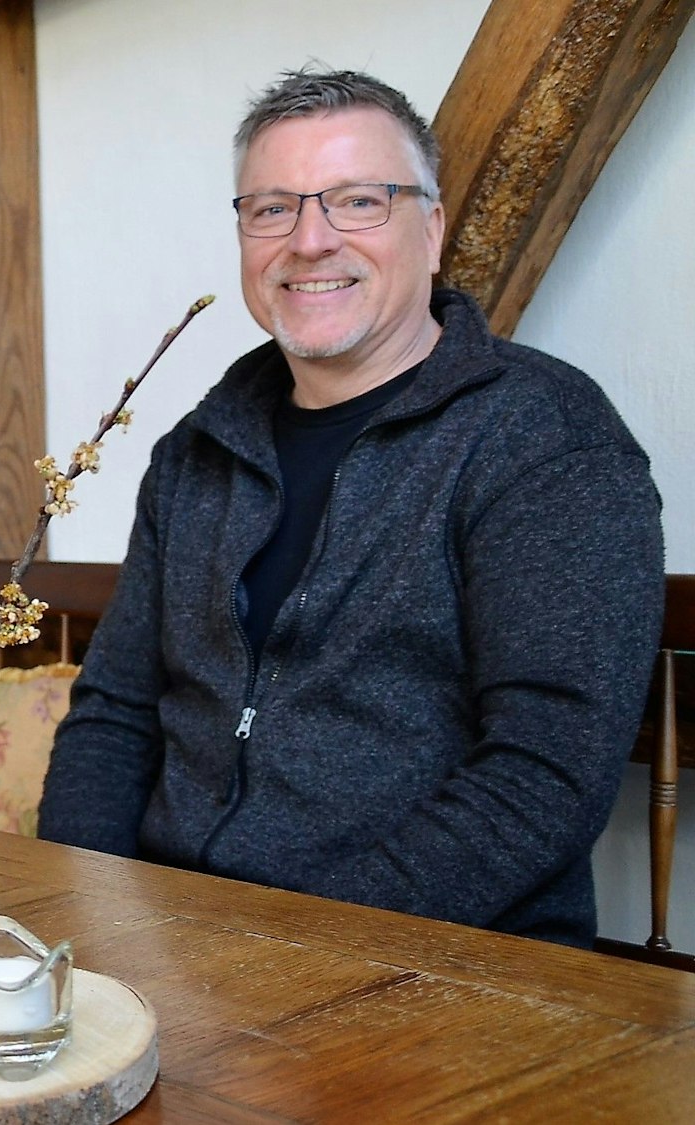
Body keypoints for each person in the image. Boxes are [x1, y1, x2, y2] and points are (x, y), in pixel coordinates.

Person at [38, 69, 663, 948]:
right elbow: (114, 716)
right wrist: (81, 929)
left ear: (433, 229)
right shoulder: (195, 452)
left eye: (359, 201)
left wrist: (292, 945)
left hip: (443, 974)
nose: (310, 240)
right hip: (178, 949)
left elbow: (543, 775)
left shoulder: (544, 437)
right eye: (272, 209)